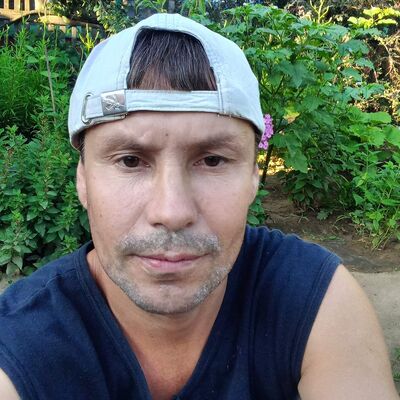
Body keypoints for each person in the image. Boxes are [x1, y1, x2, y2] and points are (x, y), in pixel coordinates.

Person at [0, 13, 398, 400]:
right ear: (83, 180)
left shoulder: (313, 300)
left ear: (253, 177)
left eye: (212, 160)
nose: (172, 212)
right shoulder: (18, 345)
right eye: (130, 161)